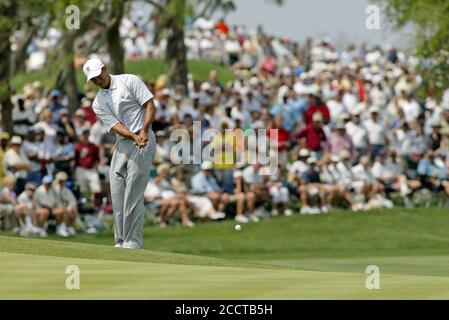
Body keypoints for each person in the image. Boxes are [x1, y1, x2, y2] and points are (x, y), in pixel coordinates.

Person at [85, 58, 157, 249]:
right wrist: (133, 135)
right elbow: (115, 125)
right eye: (93, 80)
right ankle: (120, 240)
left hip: (145, 138)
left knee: (133, 190)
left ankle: (133, 241)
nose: (98, 81)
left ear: (105, 69)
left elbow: (149, 105)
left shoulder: (129, 80)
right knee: (116, 190)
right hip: (124, 142)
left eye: (99, 76)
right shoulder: (97, 103)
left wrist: (143, 131)